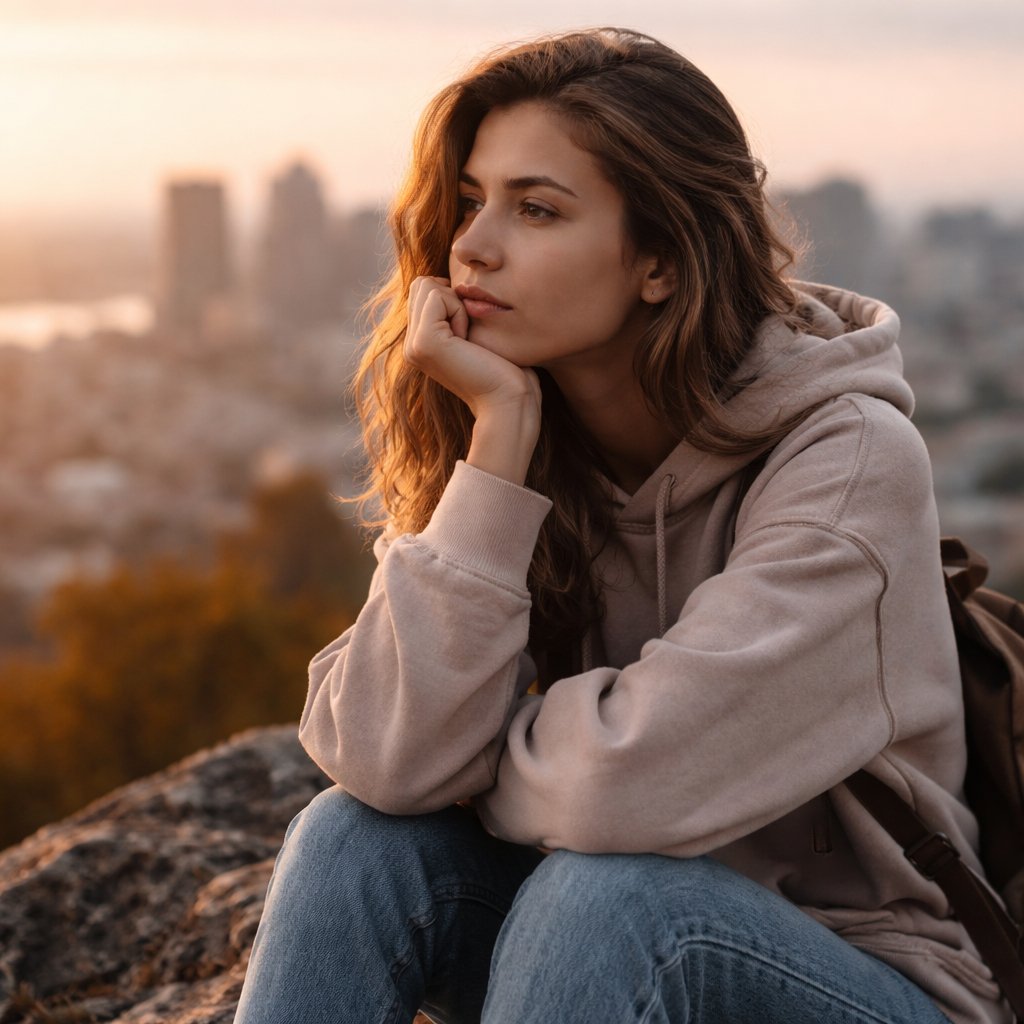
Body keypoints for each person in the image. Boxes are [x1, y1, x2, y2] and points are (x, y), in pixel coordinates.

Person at [233, 27, 1009, 1024]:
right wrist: (497, 447)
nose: (472, 245)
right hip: (606, 957)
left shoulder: (848, 457)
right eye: (470, 200)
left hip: (874, 976)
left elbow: (616, 794)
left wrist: (482, 755)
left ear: (660, 261)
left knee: (609, 896)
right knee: (355, 840)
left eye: (536, 209)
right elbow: (386, 759)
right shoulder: (530, 434)